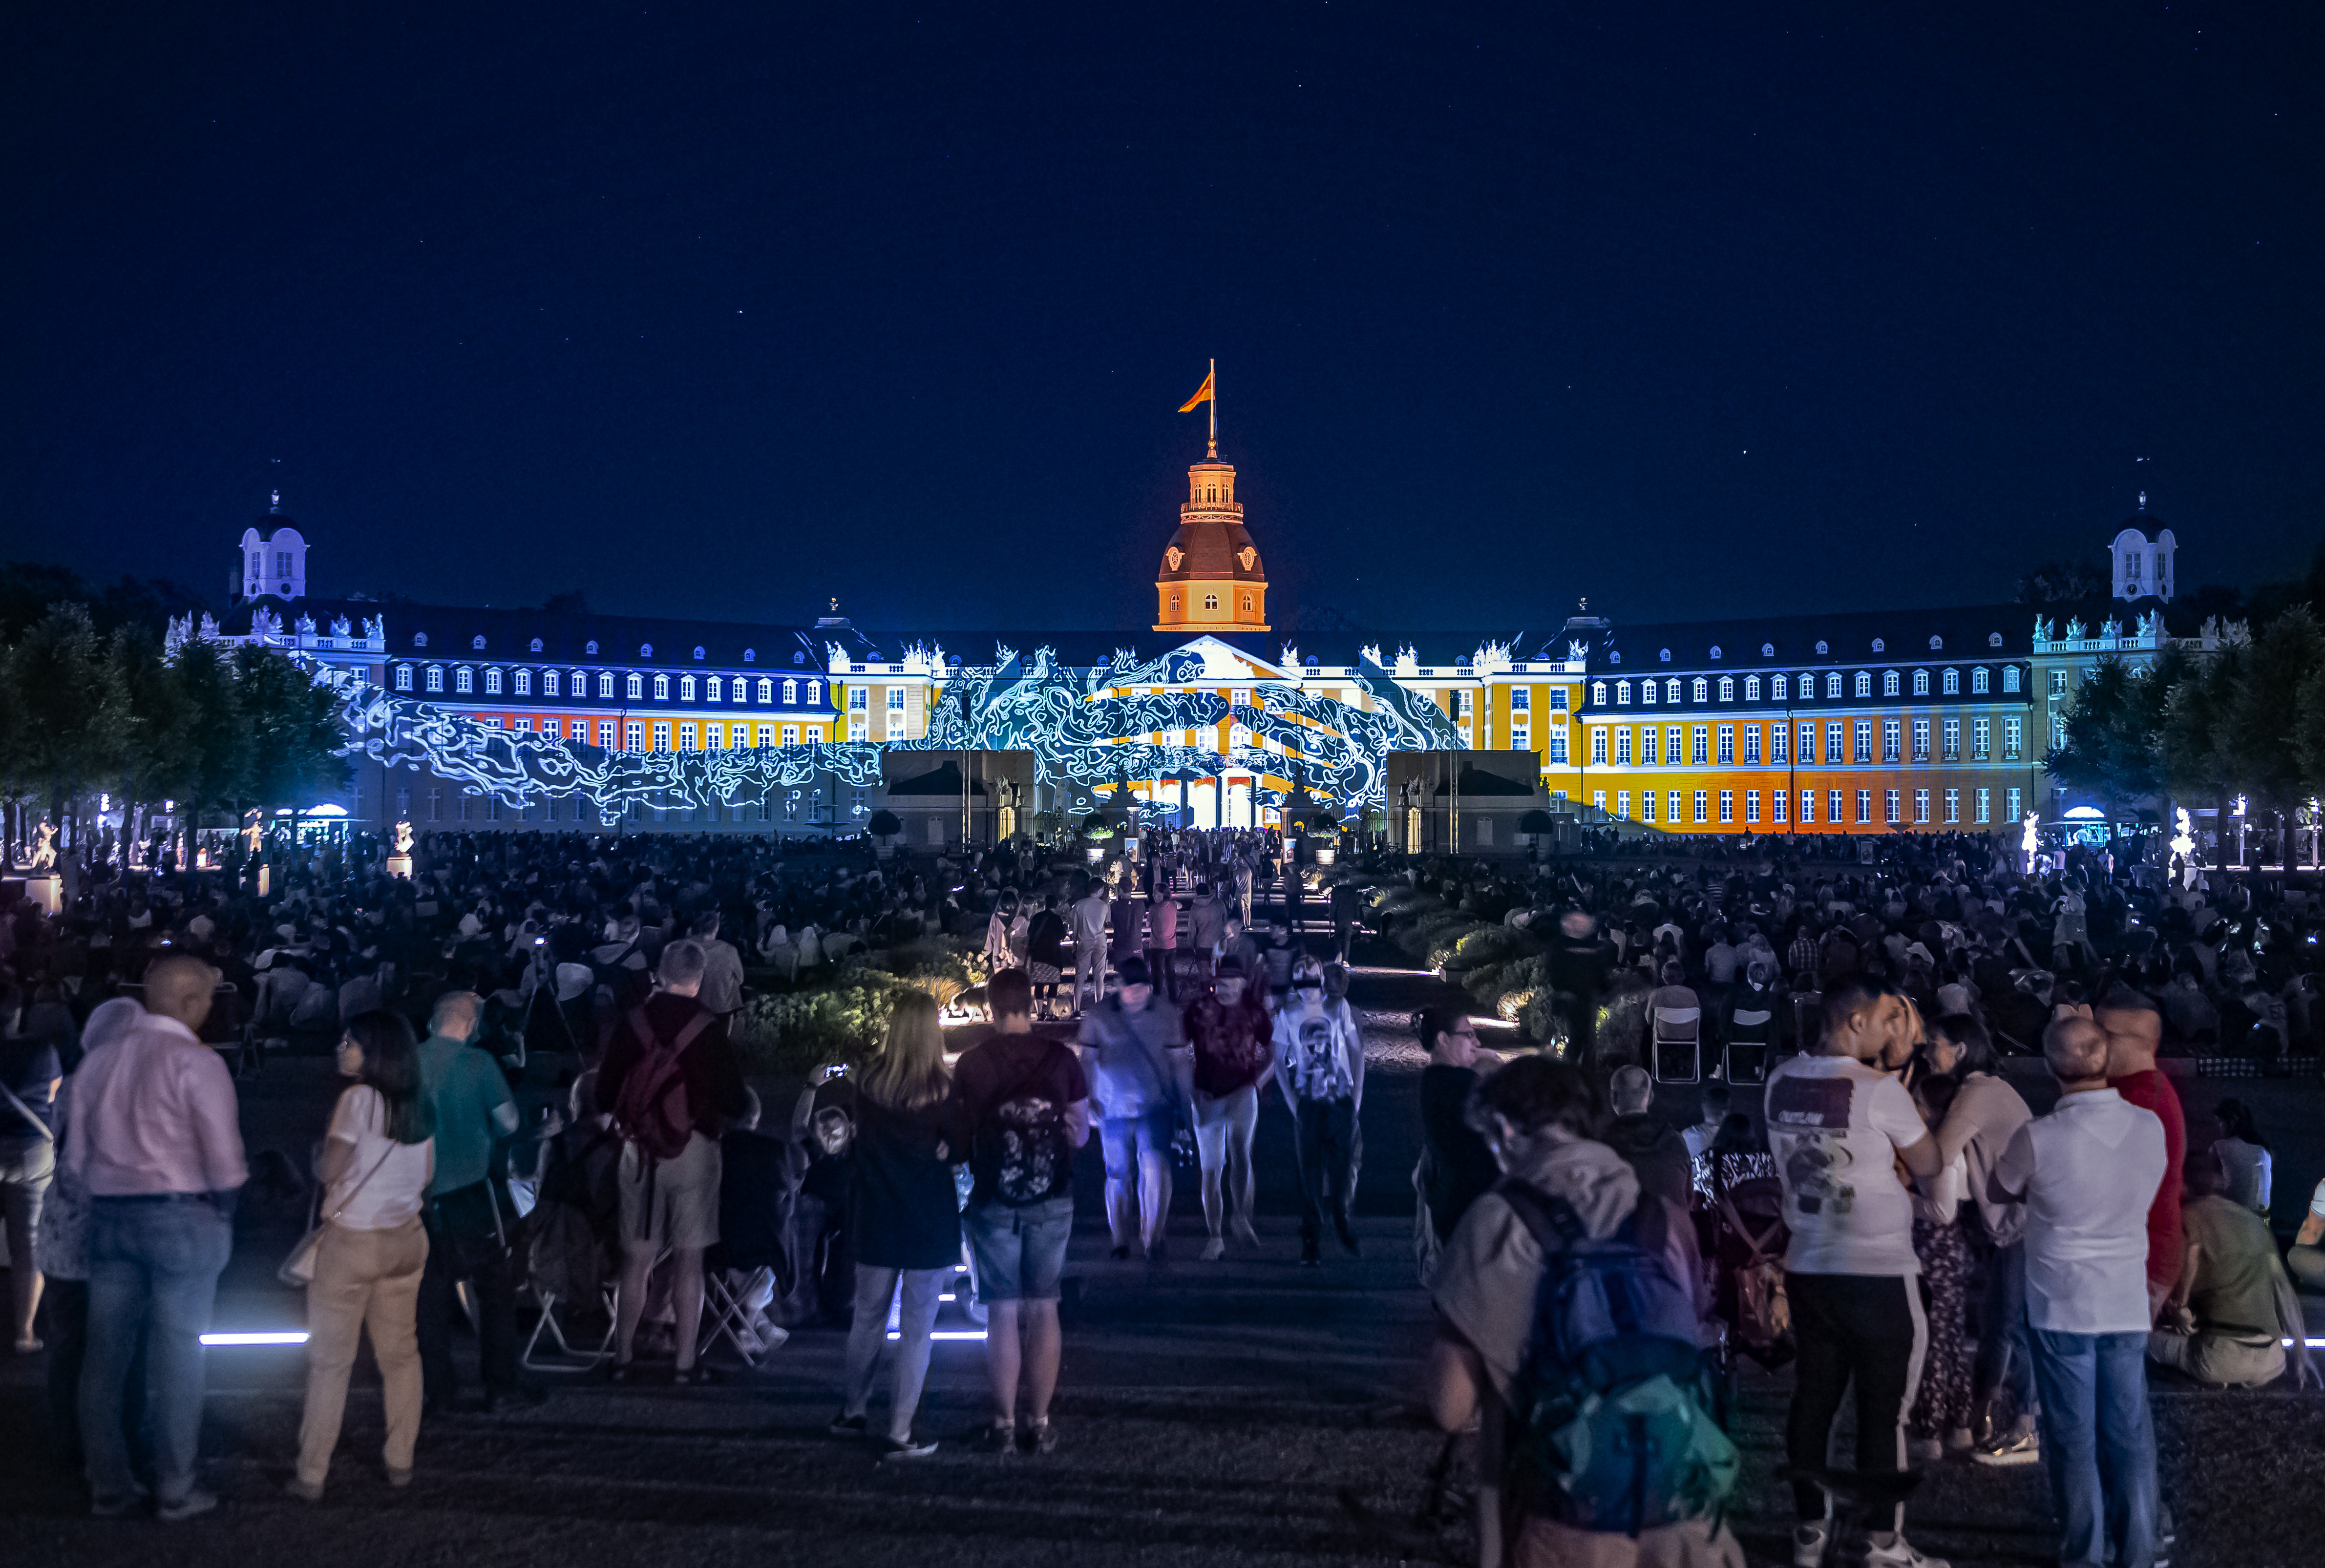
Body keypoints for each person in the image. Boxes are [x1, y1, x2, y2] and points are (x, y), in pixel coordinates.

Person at [1426, 1054, 1744, 1568]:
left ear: (1506, 1130)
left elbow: (1449, 1405)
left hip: (1567, 1515)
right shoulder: (1661, 1217)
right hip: (1684, 1507)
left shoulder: (1497, 1218)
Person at [1763, 978, 1946, 1568]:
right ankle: (1880, 1539)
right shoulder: (1877, 1091)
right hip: (1877, 1268)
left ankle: (1809, 1530)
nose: (1891, 1032)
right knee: (1882, 1410)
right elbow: (1929, 1161)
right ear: (1855, 1022)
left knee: (1812, 1400)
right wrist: (1905, 1090)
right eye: (1884, 1020)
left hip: (1809, 1263)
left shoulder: (1778, 1080)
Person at [67, 953, 246, 1521]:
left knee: (104, 1357)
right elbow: (226, 1166)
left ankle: (110, 1483)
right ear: (192, 1002)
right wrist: (223, 1213)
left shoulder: (99, 1060)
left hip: (110, 1217)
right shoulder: (197, 1063)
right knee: (178, 1357)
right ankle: (175, 1485)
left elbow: (73, 1161)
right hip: (180, 1216)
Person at [1986, 1016, 2166, 1568]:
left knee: (2072, 1440)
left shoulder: (2038, 1137)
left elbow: (1999, 1188)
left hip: (2061, 1303)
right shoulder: (2149, 1127)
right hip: (2124, 1301)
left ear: (2049, 1068)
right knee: (2130, 1436)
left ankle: (2084, 1552)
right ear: (2105, 1061)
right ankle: (2138, 1549)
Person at [289, 1010, 436, 1501]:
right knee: (401, 1356)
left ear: (373, 1051)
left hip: (354, 1240)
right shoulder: (421, 1102)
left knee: (332, 1362)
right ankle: (401, 1462)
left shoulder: (356, 1100)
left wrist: (316, 1156)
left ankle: (312, 1473)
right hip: (407, 1237)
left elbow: (331, 1169)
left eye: (348, 1041)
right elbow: (427, 1173)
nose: (340, 1048)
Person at [596, 937, 751, 1382]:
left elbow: (605, 1093)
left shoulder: (633, 1024)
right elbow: (736, 1102)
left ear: (660, 974)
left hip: (639, 1153)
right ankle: (685, 1364)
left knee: (637, 1261)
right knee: (689, 1259)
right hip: (694, 1150)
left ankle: (622, 1358)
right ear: (699, 978)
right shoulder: (708, 1028)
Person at [950, 968, 1090, 1454]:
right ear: (1030, 1005)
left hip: (993, 1198)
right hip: (1052, 1196)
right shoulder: (1060, 1059)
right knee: (1044, 1305)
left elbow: (959, 1135)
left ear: (991, 1008)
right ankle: (1041, 1421)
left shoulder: (972, 1063)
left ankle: (1004, 1423)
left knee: (1002, 1311)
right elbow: (1082, 1132)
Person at [835, 993, 958, 1461]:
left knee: (867, 1319)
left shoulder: (868, 1082)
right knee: (916, 1329)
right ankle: (901, 1428)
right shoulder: (944, 1089)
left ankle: (853, 1409)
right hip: (928, 1215)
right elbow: (956, 1146)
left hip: (878, 1210)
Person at [1921, 1012, 2039, 1464]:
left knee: (2005, 1325)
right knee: (2010, 1325)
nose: (1928, 1050)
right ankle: (2014, 1419)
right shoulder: (1988, 1091)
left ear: (1961, 1049)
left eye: (1935, 1042)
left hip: (2022, 1227)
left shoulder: (1976, 1094)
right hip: (2020, 1225)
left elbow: (1935, 1155)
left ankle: (2007, 1421)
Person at [413, 990, 529, 1413]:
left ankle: (439, 1389)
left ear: (433, 1021)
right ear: (471, 1024)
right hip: (470, 1191)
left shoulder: (408, 1061)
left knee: (429, 1296)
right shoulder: (479, 1063)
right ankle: (501, 1385)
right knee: (494, 1290)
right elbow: (508, 1122)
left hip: (418, 1195)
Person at [2148, 1144, 2313, 1390]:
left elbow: (2181, 1271)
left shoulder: (2187, 1216)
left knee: (2146, 1345)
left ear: (2182, 1182)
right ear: (2222, 1183)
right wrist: (2300, 1358)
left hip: (2219, 1357)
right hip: (2272, 1359)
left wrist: (2178, 1307)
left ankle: (2202, 1383)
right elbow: (2285, 1293)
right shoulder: (2255, 1223)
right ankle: (2235, 1378)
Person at [1078, 955, 1189, 1261]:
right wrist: (1086, 1100)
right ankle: (1120, 1239)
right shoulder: (1099, 1016)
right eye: (1132, 988)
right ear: (1119, 987)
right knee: (1118, 1174)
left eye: (1144, 988)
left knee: (1155, 1167)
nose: (1138, 994)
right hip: (1112, 1109)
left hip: (1155, 1105)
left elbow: (1179, 1061)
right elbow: (1086, 1060)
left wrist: (1186, 1101)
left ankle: (1153, 1235)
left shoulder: (1165, 1013)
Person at [2094, 986, 2185, 1323]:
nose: (2093, 1042)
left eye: (2103, 1034)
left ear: (2139, 1040)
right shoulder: (2137, 1091)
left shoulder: (2141, 1101)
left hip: (2137, 1263)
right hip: (2137, 1257)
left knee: (2110, 1367)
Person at [1273, 955, 1366, 1266]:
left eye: (1313, 981)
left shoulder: (1338, 1008)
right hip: (1309, 1103)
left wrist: (1356, 1098)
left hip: (1339, 1099)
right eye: (1302, 983)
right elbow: (1278, 1058)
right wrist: (1293, 1103)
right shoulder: (1288, 1013)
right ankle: (1312, 1237)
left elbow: (1357, 1050)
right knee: (1308, 1173)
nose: (1309, 989)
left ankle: (1341, 1218)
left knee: (1342, 1170)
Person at [1183, 955, 1273, 1259]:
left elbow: (1275, 1052)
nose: (1225, 985)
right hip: (1206, 1093)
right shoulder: (1198, 1010)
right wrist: (1189, 1091)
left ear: (1244, 983)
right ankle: (1215, 1235)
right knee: (1211, 1167)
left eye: (1232, 980)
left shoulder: (1254, 1013)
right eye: (1221, 979)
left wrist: (1257, 1084)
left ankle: (1242, 1218)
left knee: (1242, 1155)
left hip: (1242, 1092)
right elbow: (1179, 1052)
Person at [1414, 1004, 1499, 1260]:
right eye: (1469, 1035)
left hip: (1452, 1203)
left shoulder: (1438, 1081)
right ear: (1443, 1039)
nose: (1477, 1040)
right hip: (1468, 1206)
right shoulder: (1459, 1086)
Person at [2, 1013, 62, 1352]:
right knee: (28, 1243)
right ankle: (24, 1333)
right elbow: (52, 1093)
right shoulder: (42, 1049)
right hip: (31, 1146)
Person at [1603, 1063, 1692, 1209]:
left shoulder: (1599, 1146)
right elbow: (1688, 1199)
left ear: (1613, 1097)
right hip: (1670, 1230)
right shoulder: (1677, 1143)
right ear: (1650, 1098)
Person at [2208, 1098, 2272, 1215]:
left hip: (2229, 1217)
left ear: (2232, 1122)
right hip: (2258, 1221)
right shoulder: (2263, 1152)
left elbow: (2210, 1184)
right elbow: (2264, 1200)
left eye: (2221, 1121)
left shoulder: (2219, 1147)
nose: (2219, 1126)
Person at [691, 910, 747, 1020]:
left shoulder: (692, 949)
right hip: (724, 1006)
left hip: (699, 1005)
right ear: (717, 928)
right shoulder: (729, 950)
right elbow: (740, 979)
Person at [1070, 881, 1111, 1016]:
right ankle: (1099, 1007)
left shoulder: (1079, 905)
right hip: (1100, 942)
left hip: (1084, 943)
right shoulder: (1104, 905)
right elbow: (1106, 923)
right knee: (1099, 978)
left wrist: (1075, 943)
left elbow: (1075, 928)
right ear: (1100, 890)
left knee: (1080, 978)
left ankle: (1077, 1010)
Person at [1025, 894, 1067, 1020]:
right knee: (1053, 985)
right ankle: (1049, 1013)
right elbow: (1062, 936)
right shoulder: (1057, 919)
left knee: (1039, 984)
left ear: (1045, 904)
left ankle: (1039, 1014)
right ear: (1057, 905)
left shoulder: (1036, 917)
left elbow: (1030, 933)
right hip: (1053, 956)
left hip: (1038, 955)